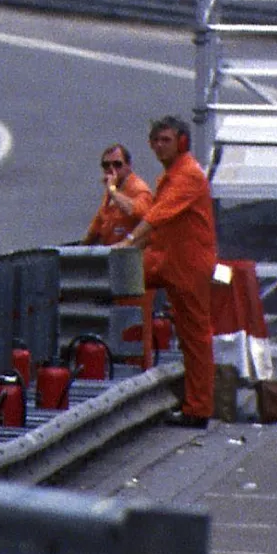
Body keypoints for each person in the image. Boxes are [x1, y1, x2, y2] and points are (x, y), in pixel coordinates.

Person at [124, 115, 217, 427]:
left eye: (167, 140)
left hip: (188, 267)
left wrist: (128, 243)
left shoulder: (188, 175)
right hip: (167, 260)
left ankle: (199, 409)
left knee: (195, 338)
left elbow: (157, 217)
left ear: (182, 142)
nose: (160, 146)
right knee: (120, 291)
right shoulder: (170, 176)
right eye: (156, 141)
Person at [78, 144, 149, 246]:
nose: (111, 169)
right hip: (111, 251)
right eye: (106, 165)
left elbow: (137, 212)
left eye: (117, 164)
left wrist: (112, 190)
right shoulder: (112, 191)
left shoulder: (139, 189)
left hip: (133, 255)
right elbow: (97, 225)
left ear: (128, 166)